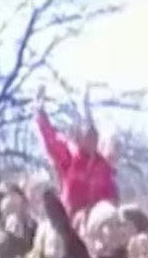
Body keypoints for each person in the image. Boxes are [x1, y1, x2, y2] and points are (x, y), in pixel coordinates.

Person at [35, 87, 118, 217]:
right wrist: (41, 116)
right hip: (71, 219)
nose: (92, 138)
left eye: (94, 134)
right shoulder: (69, 157)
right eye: (88, 134)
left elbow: (111, 194)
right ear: (79, 137)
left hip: (97, 220)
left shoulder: (103, 166)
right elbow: (50, 140)